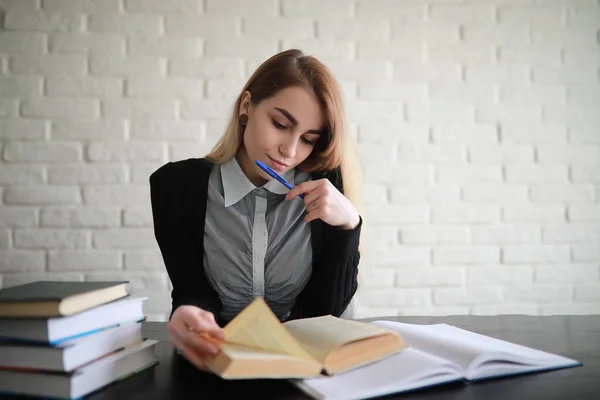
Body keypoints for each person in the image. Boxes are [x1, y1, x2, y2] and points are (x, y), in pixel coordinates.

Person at [150, 49, 363, 371]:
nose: (289, 151)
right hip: (216, 364)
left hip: (307, 365)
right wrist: (187, 313)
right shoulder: (176, 186)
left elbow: (325, 312)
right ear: (247, 106)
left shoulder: (327, 187)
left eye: (308, 139)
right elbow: (192, 291)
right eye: (280, 124)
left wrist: (350, 226)